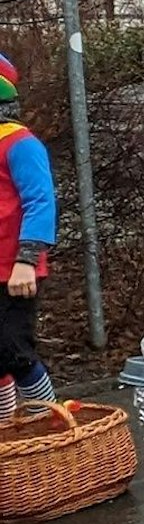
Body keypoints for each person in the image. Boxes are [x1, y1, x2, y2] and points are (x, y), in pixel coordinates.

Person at [0, 51, 55, 420]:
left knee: (12, 349)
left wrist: (26, 260)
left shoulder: (19, 142)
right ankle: (6, 430)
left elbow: (41, 201)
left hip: (12, 269)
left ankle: (47, 420)